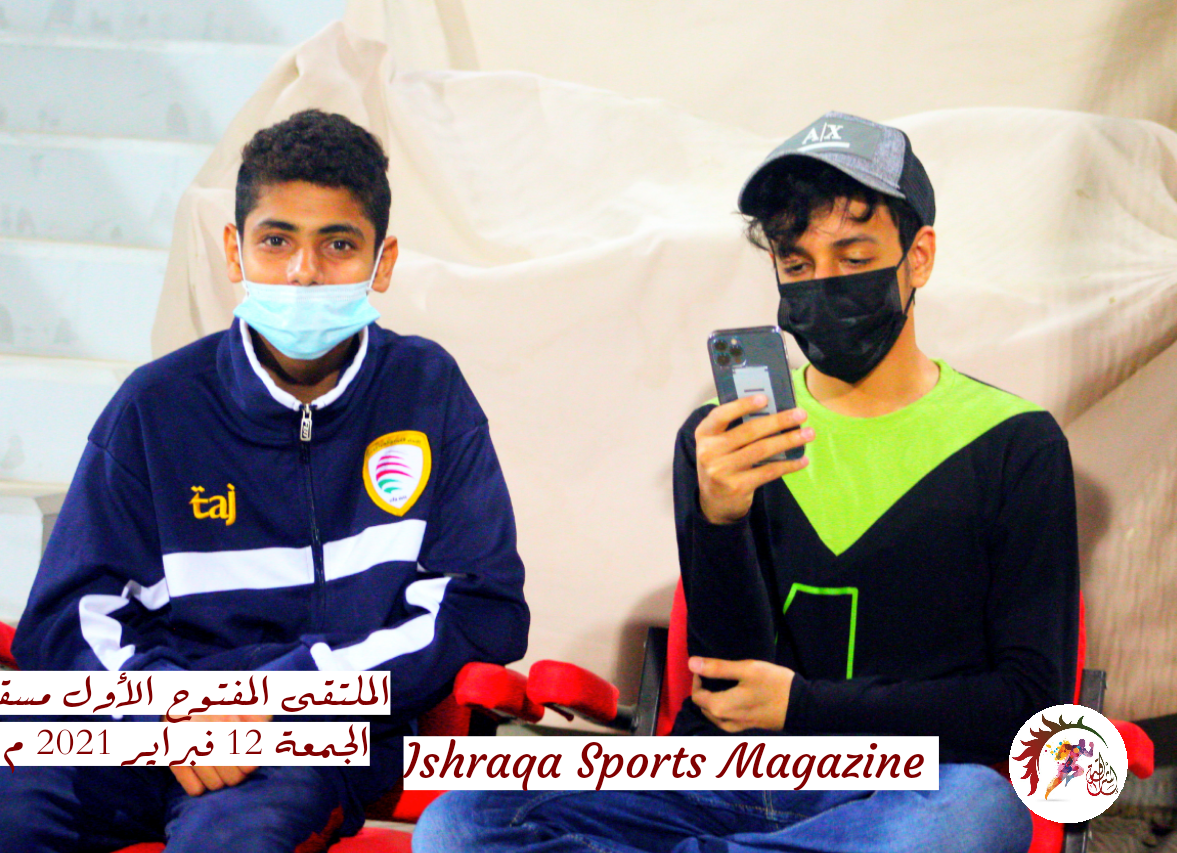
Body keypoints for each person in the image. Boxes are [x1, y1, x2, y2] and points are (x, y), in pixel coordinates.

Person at [414, 111, 1077, 853]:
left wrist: (806, 706)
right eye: (797, 265)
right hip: (721, 779)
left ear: (918, 256)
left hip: (901, 786)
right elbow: (723, 684)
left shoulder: (1014, 442)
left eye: (854, 255)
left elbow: (1029, 705)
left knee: (975, 814)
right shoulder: (721, 438)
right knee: (462, 820)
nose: (823, 283)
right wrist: (719, 518)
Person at [0, 109, 529, 852]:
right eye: (276, 240)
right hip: (137, 720)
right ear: (234, 251)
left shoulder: (426, 391)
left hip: (309, 736)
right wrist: (169, 714)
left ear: (383, 261)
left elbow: (482, 609)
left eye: (339, 244)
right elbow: (68, 618)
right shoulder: (156, 404)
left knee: (229, 841)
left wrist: (278, 698)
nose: (303, 271)